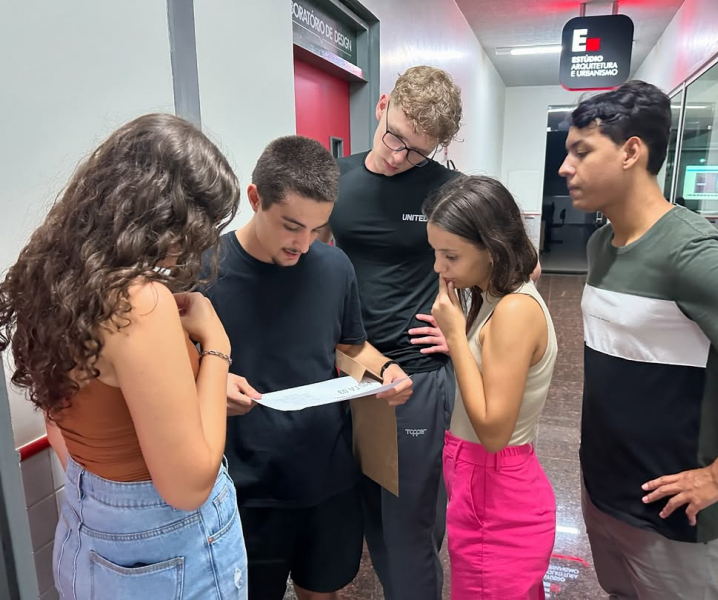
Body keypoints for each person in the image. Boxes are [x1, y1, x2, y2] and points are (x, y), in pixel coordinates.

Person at [559, 80, 718, 600]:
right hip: (605, 490)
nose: (565, 167)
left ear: (631, 152)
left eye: (581, 151)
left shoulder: (689, 251)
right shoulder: (602, 244)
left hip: (672, 516)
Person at [0, 114, 248, 599]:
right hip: (166, 550)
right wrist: (216, 346)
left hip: (86, 526)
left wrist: (108, 495)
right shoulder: (139, 302)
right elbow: (188, 487)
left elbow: (60, 419)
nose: (184, 253)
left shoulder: (53, 277)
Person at [202, 136, 413, 600]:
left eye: (317, 228)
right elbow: (176, 374)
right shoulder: (205, 272)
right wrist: (212, 385)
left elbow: (351, 346)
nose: (303, 244)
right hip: (244, 488)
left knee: (324, 591)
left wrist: (387, 370)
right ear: (255, 198)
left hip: (326, 477)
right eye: (291, 226)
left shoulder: (335, 267)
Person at [323, 65, 463, 600]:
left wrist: (465, 335)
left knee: (408, 531)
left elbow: (519, 269)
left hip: (416, 374)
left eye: (418, 152)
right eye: (395, 138)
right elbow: (305, 255)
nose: (400, 156)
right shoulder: (337, 178)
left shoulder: (448, 190)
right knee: (364, 511)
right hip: (348, 368)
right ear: (382, 106)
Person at [426, 175, 558, 600]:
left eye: (451, 256)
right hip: (485, 485)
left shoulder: (514, 310)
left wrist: (455, 336)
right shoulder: (496, 294)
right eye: (435, 253)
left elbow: (494, 432)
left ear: (492, 248)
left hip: (496, 493)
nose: (439, 268)